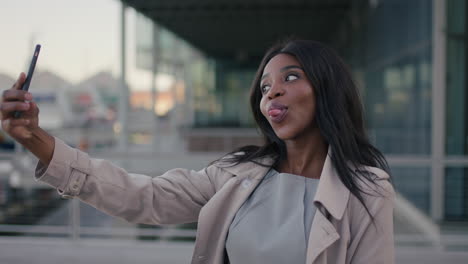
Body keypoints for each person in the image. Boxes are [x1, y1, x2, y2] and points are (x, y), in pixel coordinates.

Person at [1, 39, 395, 264]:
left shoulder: (366, 189)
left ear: (327, 88)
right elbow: (145, 197)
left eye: (290, 77)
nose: (271, 91)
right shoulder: (239, 175)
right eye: (264, 86)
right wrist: (36, 138)